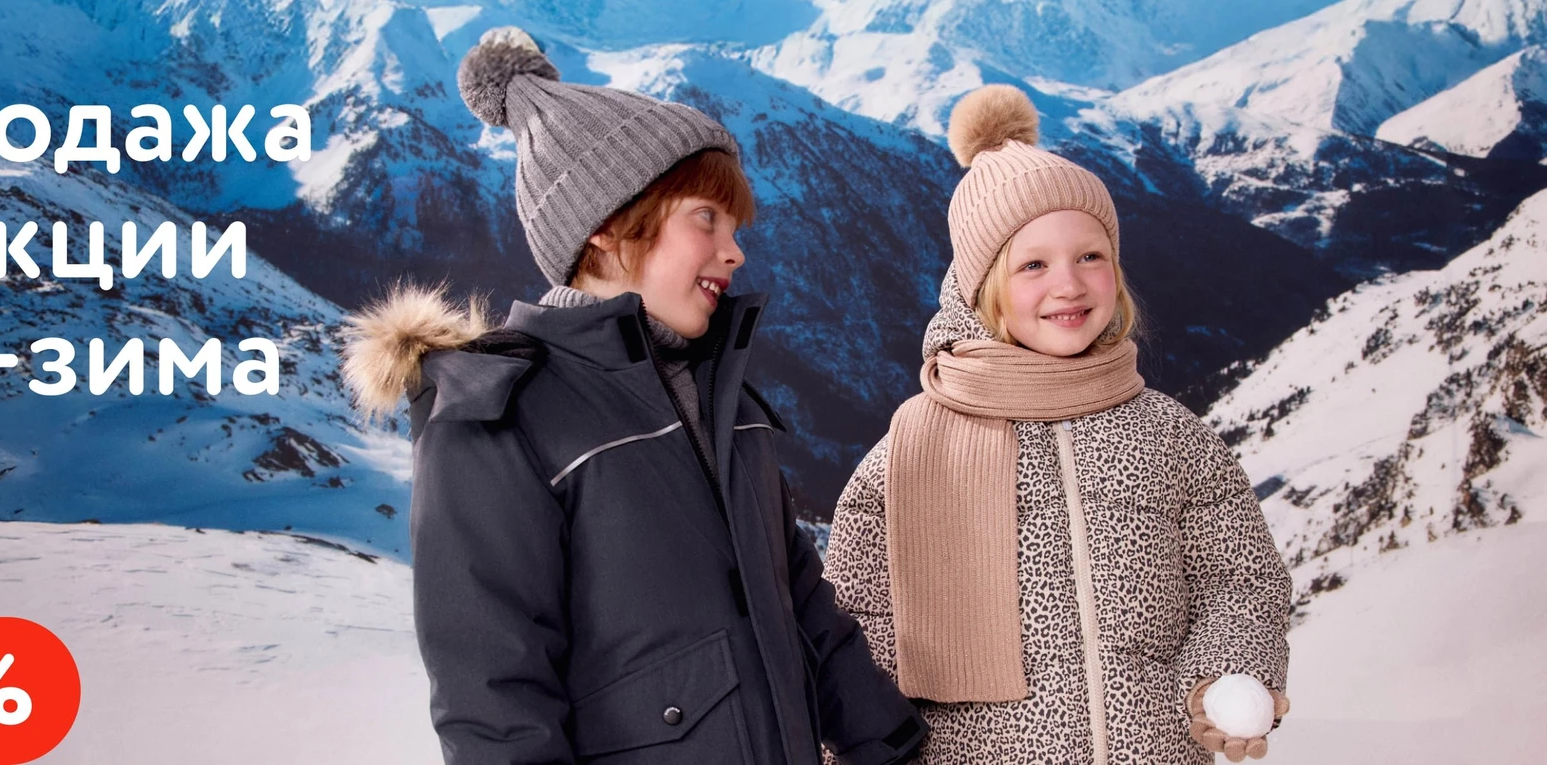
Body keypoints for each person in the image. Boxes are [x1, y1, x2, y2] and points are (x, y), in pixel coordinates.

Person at [341, 26, 927, 765]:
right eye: (706, 217)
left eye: (734, 225)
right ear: (608, 228)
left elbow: (804, 609)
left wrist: (892, 744)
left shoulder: (726, 401)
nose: (735, 250)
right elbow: (495, 703)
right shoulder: (500, 419)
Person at [822, 84, 1292, 765]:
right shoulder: (909, 454)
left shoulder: (1168, 435)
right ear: (984, 289)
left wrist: (1227, 672)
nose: (1068, 284)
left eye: (1090, 256)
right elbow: (853, 641)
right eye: (1033, 265)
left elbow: (1239, 578)